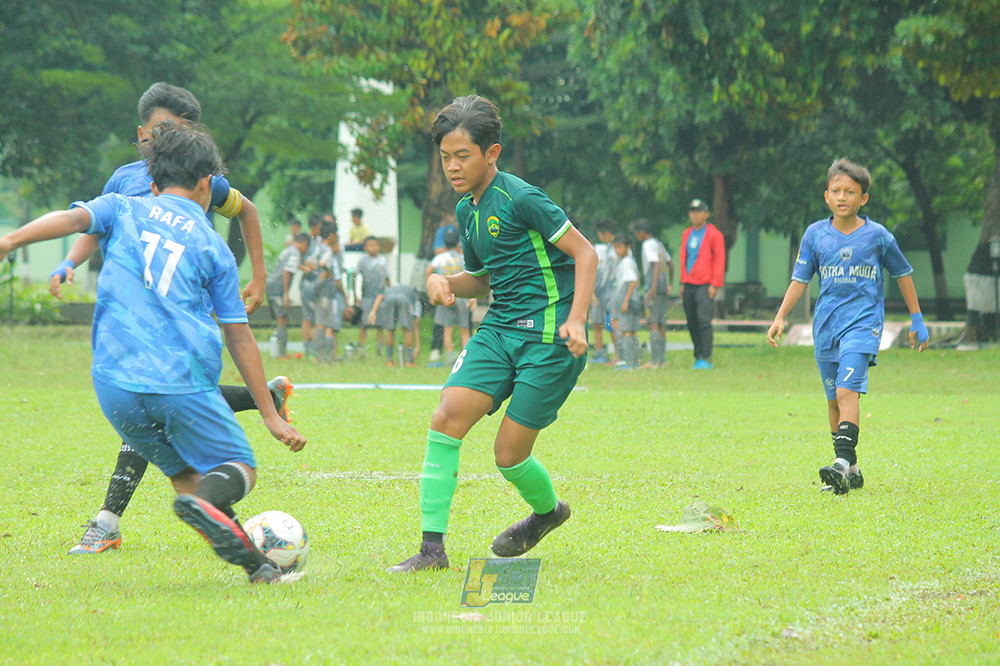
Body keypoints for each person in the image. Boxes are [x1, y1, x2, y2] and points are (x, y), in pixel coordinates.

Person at [0, 122, 307, 582]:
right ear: (206, 183)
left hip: (113, 386)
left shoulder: (122, 206)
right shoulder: (213, 246)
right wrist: (268, 412)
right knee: (237, 467)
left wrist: (10, 241)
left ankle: (259, 569)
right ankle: (209, 507)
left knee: (186, 478)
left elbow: (71, 221)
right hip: (177, 382)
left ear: (153, 180)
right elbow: (238, 336)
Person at [389, 95, 596, 572]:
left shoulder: (522, 198)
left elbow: (586, 254)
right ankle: (431, 551)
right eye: (445, 157)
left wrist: (578, 318)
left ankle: (547, 513)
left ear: (492, 154)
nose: (453, 167)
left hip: (549, 338)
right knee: (446, 417)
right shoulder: (467, 211)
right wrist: (441, 282)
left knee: (508, 456)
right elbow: (481, 280)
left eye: (462, 156)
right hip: (500, 329)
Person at [766, 158, 929, 495]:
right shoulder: (814, 235)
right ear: (826, 196)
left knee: (846, 391)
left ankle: (839, 463)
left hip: (863, 326)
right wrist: (781, 316)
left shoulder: (878, 236)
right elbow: (800, 279)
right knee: (833, 402)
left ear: (863, 198)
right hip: (826, 326)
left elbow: (903, 274)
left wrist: (917, 318)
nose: (842, 197)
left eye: (850, 192)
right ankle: (852, 471)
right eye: (836, 191)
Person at [679, 199, 726, 369]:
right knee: (691, 320)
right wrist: (682, 282)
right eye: (692, 211)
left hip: (705, 284)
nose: (695, 215)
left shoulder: (714, 234)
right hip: (689, 283)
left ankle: (706, 356)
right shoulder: (687, 234)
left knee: (703, 320)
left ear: (706, 214)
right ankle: (698, 354)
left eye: (699, 211)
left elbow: (720, 260)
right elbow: (684, 259)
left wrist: (715, 284)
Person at [425, 228, 475, 364]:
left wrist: (430, 286)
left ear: (445, 245)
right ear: (458, 244)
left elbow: (429, 270)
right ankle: (466, 359)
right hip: (462, 295)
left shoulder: (440, 257)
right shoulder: (462, 257)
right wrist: (472, 296)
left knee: (448, 328)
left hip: (445, 295)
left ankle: (450, 359)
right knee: (464, 329)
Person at [634, 218, 673, 368]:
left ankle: (655, 360)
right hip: (663, 288)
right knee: (661, 322)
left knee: (654, 323)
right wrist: (669, 284)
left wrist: (653, 287)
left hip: (654, 288)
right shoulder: (658, 244)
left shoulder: (648, 245)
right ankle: (662, 360)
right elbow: (670, 263)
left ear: (642, 233)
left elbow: (655, 263)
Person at [267, 233, 310, 358]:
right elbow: (287, 272)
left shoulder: (289, 249)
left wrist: (303, 267)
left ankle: (281, 351)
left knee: (283, 318)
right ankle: (281, 354)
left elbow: (288, 265)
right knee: (282, 319)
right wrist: (286, 294)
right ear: (304, 244)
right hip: (277, 288)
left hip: (273, 285)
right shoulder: (296, 253)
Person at [314, 223, 347, 363]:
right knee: (330, 325)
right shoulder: (328, 252)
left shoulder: (317, 247)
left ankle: (317, 357)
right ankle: (329, 358)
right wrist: (344, 294)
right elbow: (327, 268)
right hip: (329, 291)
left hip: (318, 290)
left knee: (320, 324)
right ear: (332, 235)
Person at [369, 283, 422, 367]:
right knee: (407, 329)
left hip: (389, 299)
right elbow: (416, 323)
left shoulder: (391, 289)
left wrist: (373, 312)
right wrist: (418, 346)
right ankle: (409, 361)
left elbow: (379, 297)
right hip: (404, 300)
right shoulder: (415, 297)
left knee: (390, 330)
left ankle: (389, 361)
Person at [588, 219, 617, 364]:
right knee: (597, 323)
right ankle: (599, 351)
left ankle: (618, 353)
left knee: (612, 323)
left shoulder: (617, 249)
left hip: (611, 294)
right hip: (598, 293)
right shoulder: (599, 249)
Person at [610, 233, 641, 369]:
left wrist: (625, 301)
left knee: (626, 331)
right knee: (632, 331)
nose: (617, 251)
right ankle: (635, 361)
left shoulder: (627, 262)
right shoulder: (629, 261)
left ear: (627, 247)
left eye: (620, 247)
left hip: (628, 301)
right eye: (615, 248)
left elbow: (632, 281)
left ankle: (628, 363)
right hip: (632, 300)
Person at [355, 235, 390, 355]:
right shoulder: (362, 261)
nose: (374, 248)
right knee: (364, 324)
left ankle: (379, 349)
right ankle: (362, 349)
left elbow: (387, 278)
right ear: (365, 247)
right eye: (371, 245)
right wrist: (355, 295)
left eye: (376, 245)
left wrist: (389, 292)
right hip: (366, 296)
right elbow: (355, 276)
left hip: (380, 296)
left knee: (380, 325)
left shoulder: (383, 260)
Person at [298, 214, 325, 359]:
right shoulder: (305, 241)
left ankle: (316, 348)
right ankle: (308, 349)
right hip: (307, 282)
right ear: (313, 227)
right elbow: (298, 259)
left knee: (317, 316)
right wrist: (306, 267)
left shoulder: (321, 241)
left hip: (319, 283)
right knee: (308, 317)